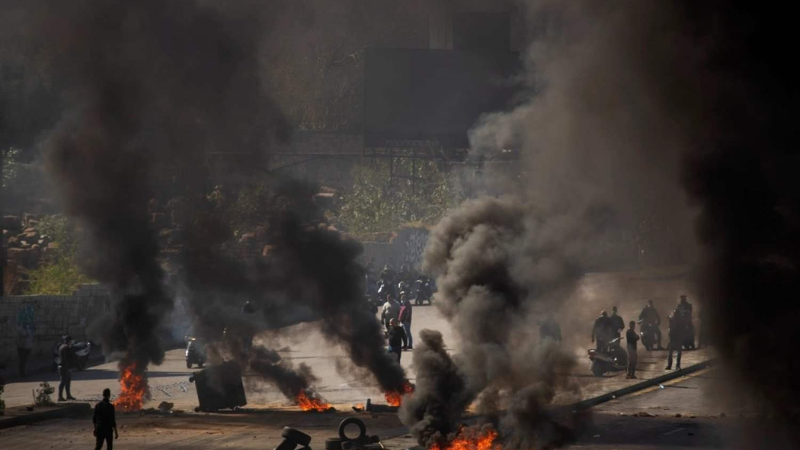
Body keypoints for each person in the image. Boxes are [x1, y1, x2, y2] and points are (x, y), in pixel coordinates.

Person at [58, 335, 76, 401]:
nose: (71, 342)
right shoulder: (66, 348)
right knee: (63, 382)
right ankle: (60, 397)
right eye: (71, 341)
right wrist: (69, 367)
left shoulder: (62, 346)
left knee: (67, 381)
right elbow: (66, 359)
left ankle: (68, 395)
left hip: (63, 366)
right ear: (68, 341)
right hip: (65, 367)